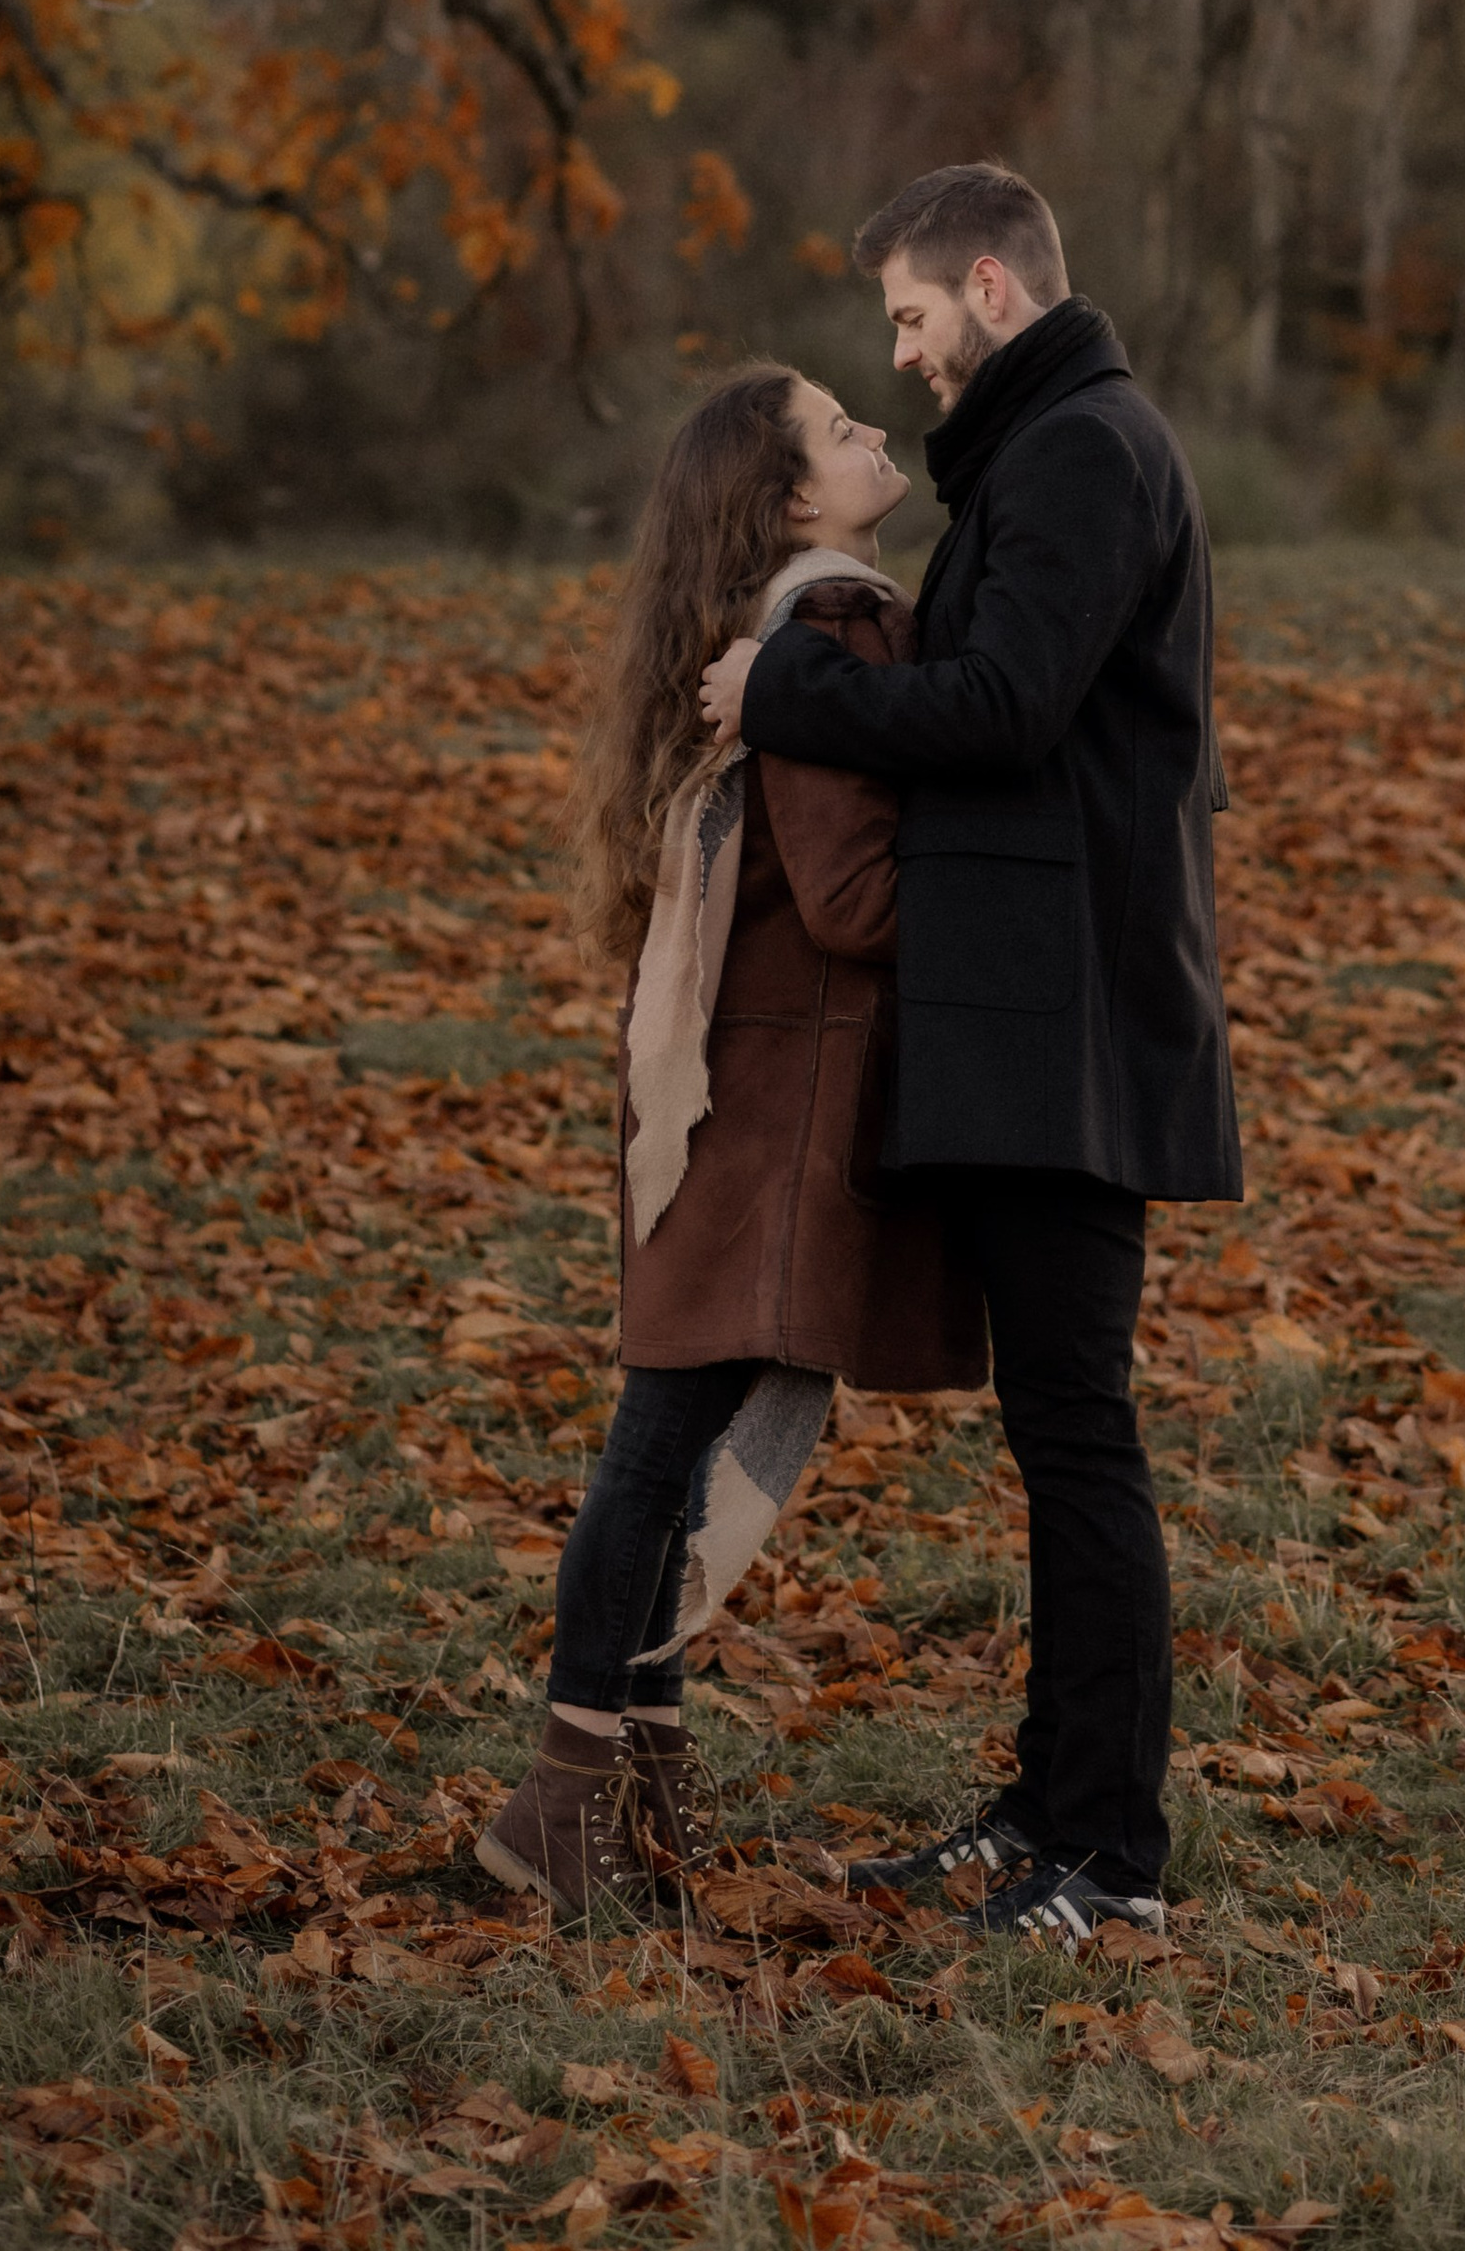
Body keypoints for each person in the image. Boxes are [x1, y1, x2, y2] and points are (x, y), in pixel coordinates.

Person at [699, 162, 1240, 1947]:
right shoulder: (1048, 444)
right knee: (1058, 1430)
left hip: (1071, 1030)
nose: (910, 358)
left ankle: (1113, 1859)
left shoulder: (1087, 449)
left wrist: (782, 693)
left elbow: (1004, 707)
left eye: (916, 320)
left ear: (993, 285)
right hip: (1040, 1020)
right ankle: (1052, 1810)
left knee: (1080, 1436)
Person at [478, 362, 985, 1923]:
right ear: (785, 503)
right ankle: (559, 1808)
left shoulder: (772, 628)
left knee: (671, 1439)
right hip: (778, 1115)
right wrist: (1027, 896)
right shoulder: (830, 626)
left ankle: (626, 1785)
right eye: (843, 432)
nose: (878, 435)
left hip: (730, 1094)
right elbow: (852, 901)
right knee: (663, 1446)